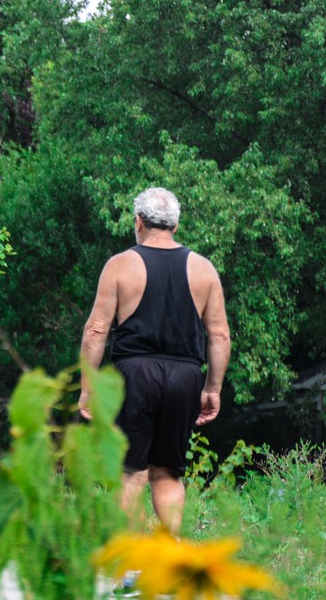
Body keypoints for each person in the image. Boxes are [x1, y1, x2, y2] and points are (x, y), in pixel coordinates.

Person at [79, 187, 231, 576]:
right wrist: (211, 388)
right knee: (167, 472)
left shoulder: (120, 265)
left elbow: (97, 330)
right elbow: (219, 336)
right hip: (185, 375)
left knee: (132, 472)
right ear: (176, 224)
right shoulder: (204, 270)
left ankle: (131, 568)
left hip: (136, 373)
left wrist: (88, 387)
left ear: (139, 223)